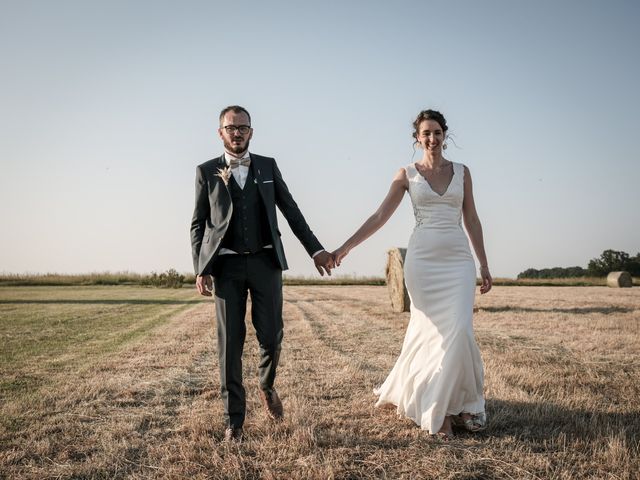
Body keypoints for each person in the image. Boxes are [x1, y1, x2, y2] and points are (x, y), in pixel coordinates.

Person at [332, 109, 492, 438]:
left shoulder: (462, 172)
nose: (431, 138)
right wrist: (345, 247)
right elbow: (379, 215)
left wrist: (484, 264)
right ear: (417, 138)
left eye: (437, 132)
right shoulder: (406, 174)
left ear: (445, 135)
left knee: (460, 331)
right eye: (425, 133)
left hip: (458, 261)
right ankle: (442, 412)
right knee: (431, 333)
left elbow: (472, 219)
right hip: (422, 262)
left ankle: (461, 403)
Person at [190, 105, 335, 442]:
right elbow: (198, 224)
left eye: (242, 127)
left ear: (251, 132)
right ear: (220, 132)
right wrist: (201, 267)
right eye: (230, 127)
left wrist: (316, 250)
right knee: (230, 344)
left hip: (266, 262)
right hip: (225, 266)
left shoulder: (268, 167)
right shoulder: (206, 170)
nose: (236, 133)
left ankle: (266, 385)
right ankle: (234, 422)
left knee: (271, 335)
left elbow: (292, 212)